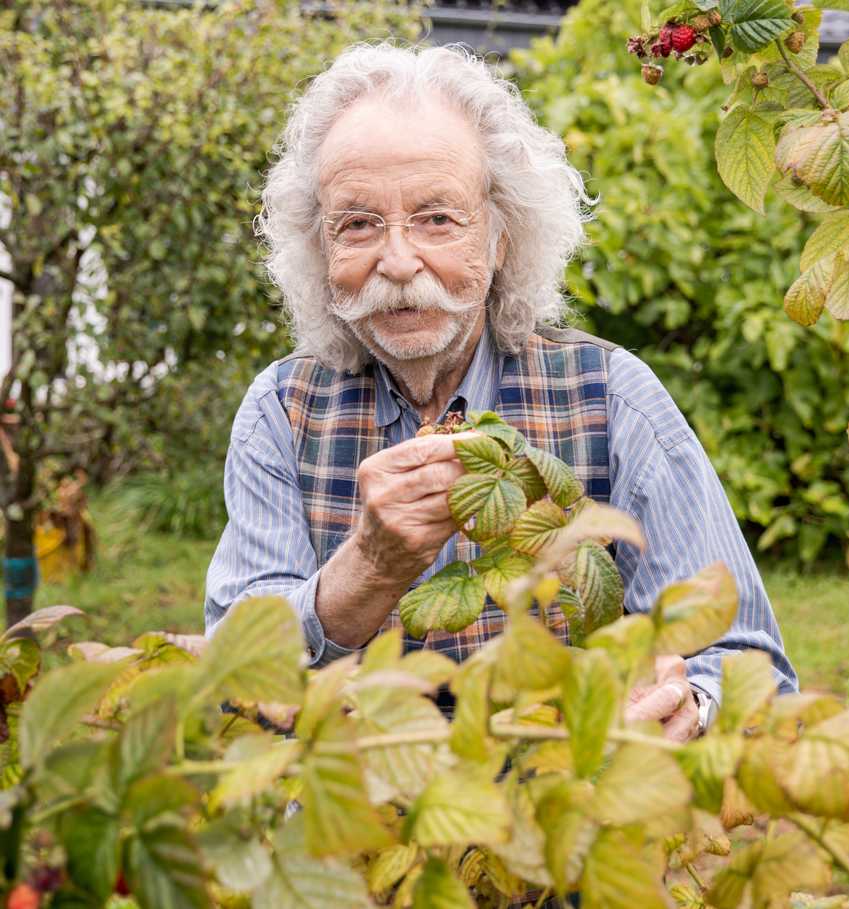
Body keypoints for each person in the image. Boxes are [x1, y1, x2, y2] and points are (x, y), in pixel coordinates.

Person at [204, 42, 796, 743]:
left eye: (437, 218)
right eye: (358, 224)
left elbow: (747, 664)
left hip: (565, 807)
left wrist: (690, 706)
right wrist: (367, 568)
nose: (397, 261)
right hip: (355, 820)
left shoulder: (610, 395)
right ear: (319, 248)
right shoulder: (282, 411)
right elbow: (235, 674)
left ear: (502, 237)